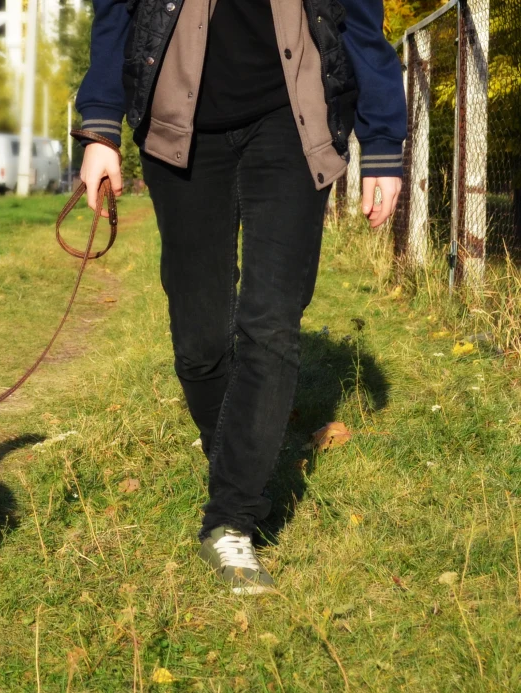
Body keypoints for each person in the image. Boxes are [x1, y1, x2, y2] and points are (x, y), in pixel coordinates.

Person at [76, 0, 406, 594]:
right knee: (200, 339)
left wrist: (383, 142)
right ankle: (235, 450)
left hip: (293, 122)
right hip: (179, 127)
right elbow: (116, 12)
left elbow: (360, 19)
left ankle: (232, 518)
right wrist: (100, 127)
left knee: (271, 322)